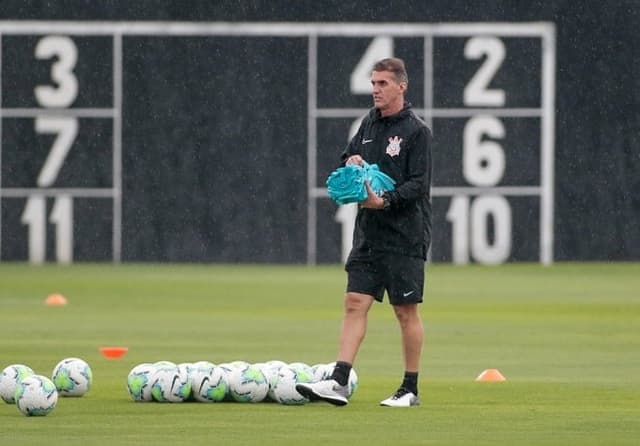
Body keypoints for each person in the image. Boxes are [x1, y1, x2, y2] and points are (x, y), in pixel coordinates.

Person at [297, 57, 432, 407]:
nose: (375, 89)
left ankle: (410, 389)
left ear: (401, 86)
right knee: (354, 302)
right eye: (373, 83)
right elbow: (347, 157)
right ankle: (339, 381)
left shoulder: (417, 131)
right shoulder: (369, 124)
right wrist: (351, 163)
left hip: (404, 235)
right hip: (369, 234)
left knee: (405, 311)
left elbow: (419, 185)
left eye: (383, 83)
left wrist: (384, 201)